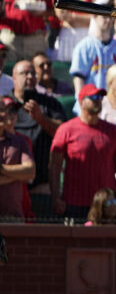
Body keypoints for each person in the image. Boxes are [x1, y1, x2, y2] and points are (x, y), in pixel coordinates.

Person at [48, 84, 116, 222]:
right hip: (74, 204)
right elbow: (54, 167)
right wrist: (56, 198)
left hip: (106, 206)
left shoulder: (114, 131)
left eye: (99, 97)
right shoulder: (66, 130)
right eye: (92, 97)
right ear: (81, 102)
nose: (97, 100)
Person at [10, 60, 66, 220]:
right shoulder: (4, 104)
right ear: (13, 77)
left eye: (33, 74)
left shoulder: (49, 103)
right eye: (24, 73)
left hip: (41, 187)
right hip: (10, 185)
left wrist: (41, 118)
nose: (30, 77)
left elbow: (63, 134)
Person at [0, 99, 34, 222]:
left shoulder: (21, 141)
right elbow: (23, 173)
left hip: (14, 214)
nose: (7, 114)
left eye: (12, 111)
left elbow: (29, 173)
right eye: (3, 110)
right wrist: (17, 175)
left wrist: (2, 169)